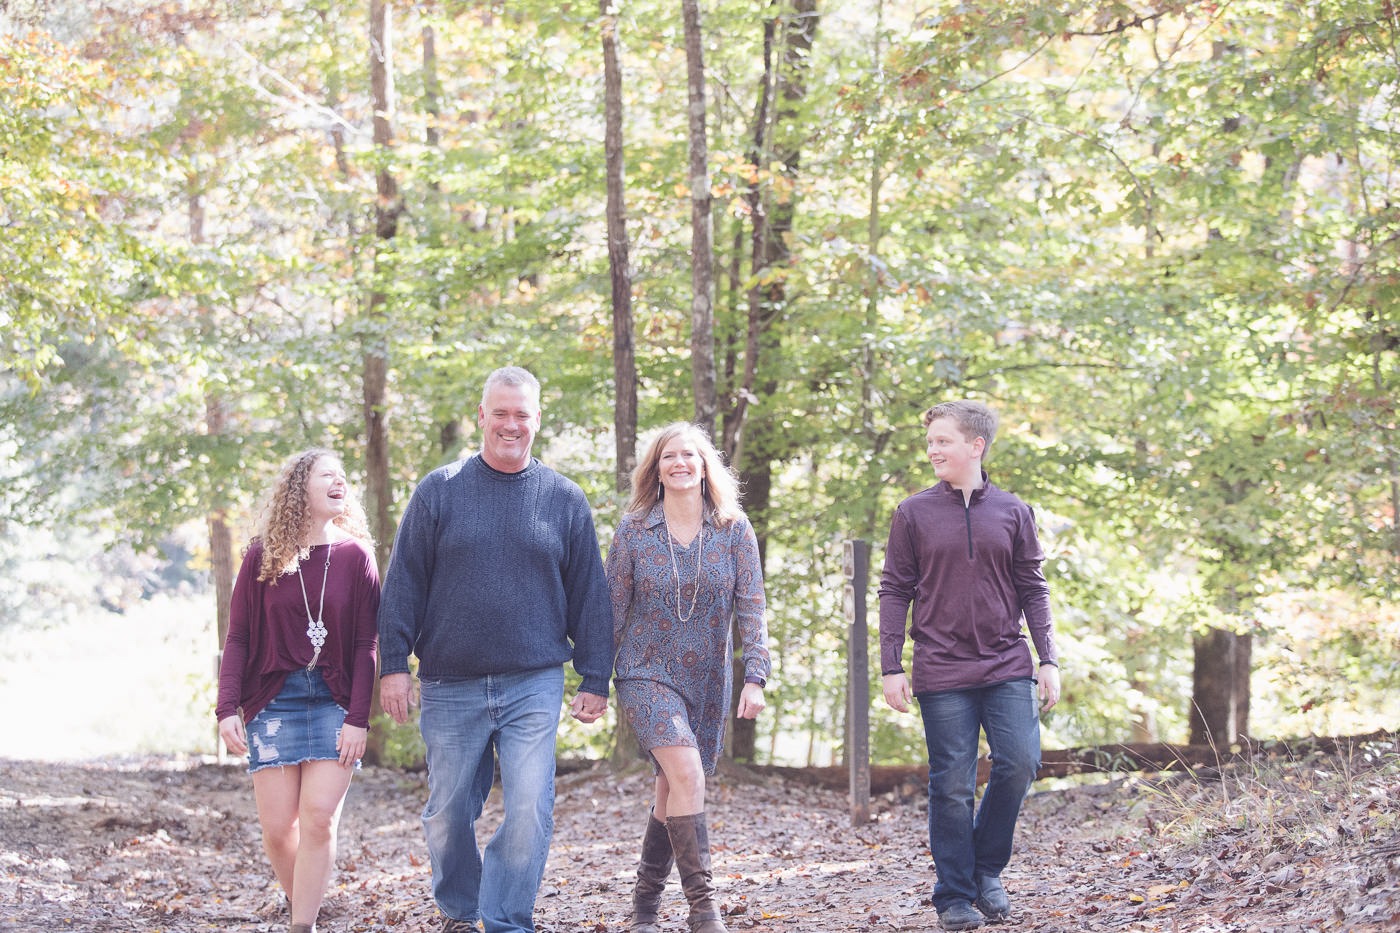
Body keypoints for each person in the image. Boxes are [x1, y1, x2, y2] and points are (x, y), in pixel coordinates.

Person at [376, 366, 614, 933]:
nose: (511, 425)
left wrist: (595, 676)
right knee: (448, 811)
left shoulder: (564, 498)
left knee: (530, 806)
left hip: (532, 679)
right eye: (500, 413)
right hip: (449, 681)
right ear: (481, 416)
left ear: (537, 420)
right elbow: (404, 581)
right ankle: (461, 907)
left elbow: (590, 594)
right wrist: (393, 666)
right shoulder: (440, 490)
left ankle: (505, 918)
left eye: (522, 415)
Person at [877, 400, 1061, 932]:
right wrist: (892, 664)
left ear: (976, 446)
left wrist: (1048, 658)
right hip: (941, 667)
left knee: (1021, 762)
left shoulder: (1013, 511)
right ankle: (954, 895)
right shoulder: (912, 513)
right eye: (930, 441)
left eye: (943, 441)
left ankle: (985, 869)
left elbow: (1033, 586)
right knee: (952, 783)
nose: (933, 449)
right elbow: (894, 590)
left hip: (1007, 660)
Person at [606, 422, 771, 933]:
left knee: (670, 789)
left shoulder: (734, 529)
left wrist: (756, 677)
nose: (679, 463)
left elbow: (753, 609)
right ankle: (704, 909)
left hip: (707, 678)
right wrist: (592, 682)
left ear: (705, 466)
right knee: (689, 775)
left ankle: (644, 908)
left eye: (689, 456)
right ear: (655, 470)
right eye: (668, 456)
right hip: (645, 671)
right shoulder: (633, 531)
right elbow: (610, 613)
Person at [216, 448, 381, 933]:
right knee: (278, 830)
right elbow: (239, 636)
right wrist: (227, 707)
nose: (340, 481)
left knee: (317, 819)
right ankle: (303, 903)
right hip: (273, 700)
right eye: (327, 474)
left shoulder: (355, 557)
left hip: (334, 699)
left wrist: (358, 717)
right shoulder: (262, 555)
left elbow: (365, 643)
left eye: (343, 476)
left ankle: (301, 926)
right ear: (299, 489)